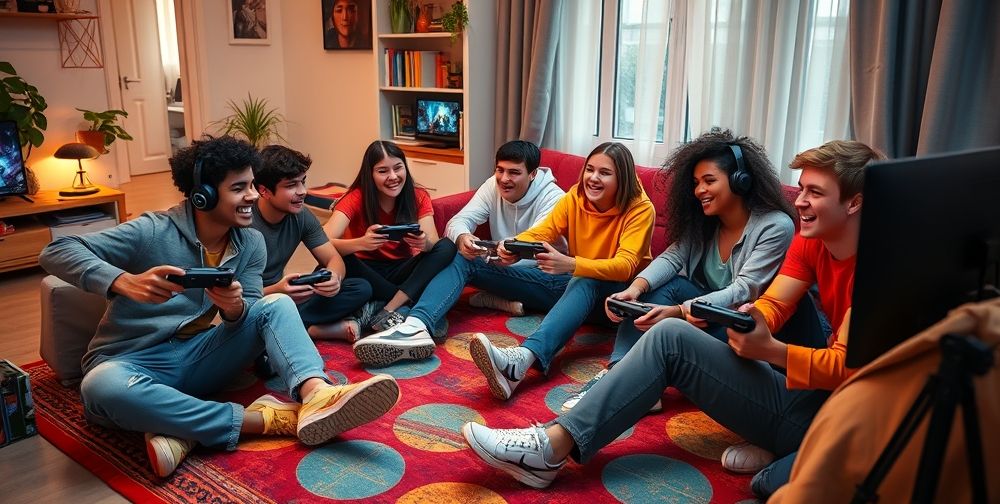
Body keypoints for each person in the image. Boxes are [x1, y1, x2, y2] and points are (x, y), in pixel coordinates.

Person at [461, 140, 884, 498]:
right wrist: (753, 321)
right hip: (804, 389)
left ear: (855, 202)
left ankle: (787, 451)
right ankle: (554, 442)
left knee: (768, 484)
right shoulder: (811, 242)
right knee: (669, 328)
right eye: (801, 189)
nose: (801, 200)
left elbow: (848, 369)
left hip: (840, 415)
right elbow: (774, 303)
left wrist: (768, 348)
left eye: (814, 192)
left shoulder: (880, 271)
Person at [39, 136, 401, 478]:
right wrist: (123, 281)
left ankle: (316, 394)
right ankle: (269, 420)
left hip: (198, 357)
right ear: (204, 195)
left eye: (252, 185)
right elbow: (57, 250)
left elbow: (252, 312)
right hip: (130, 364)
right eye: (239, 188)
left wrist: (233, 309)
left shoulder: (250, 242)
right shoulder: (152, 230)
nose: (252, 196)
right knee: (101, 387)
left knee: (276, 304)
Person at [562, 129, 798, 411]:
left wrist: (679, 312)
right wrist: (634, 289)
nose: (699, 191)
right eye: (696, 183)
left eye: (709, 181)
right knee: (659, 287)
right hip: (700, 312)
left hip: (739, 326)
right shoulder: (706, 220)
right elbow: (672, 258)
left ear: (740, 180)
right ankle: (620, 370)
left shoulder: (775, 225)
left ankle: (631, 382)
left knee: (669, 316)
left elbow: (744, 289)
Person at [468, 141, 655, 401]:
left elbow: (625, 267)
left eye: (604, 173)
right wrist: (512, 246)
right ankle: (514, 371)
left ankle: (523, 357)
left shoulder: (640, 209)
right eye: (590, 169)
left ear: (621, 179)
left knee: (583, 279)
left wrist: (572, 264)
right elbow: (543, 232)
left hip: (621, 300)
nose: (593, 178)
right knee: (474, 259)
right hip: (578, 287)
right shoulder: (575, 197)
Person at [357, 140, 565, 366]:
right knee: (458, 250)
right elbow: (458, 221)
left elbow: (529, 249)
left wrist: (486, 255)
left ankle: (414, 323)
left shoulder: (554, 198)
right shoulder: (493, 186)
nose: (504, 178)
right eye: (500, 170)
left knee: (467, 260)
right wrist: (463, 237)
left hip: (545, 277)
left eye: (514, 172)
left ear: (533, 174)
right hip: (507, 272)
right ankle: (415, 327)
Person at [322, 140, 457, 347]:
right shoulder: (355, 197)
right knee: (340, 258)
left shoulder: (418, 196)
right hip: (365, 271)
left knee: (447, 246)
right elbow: (321, 242)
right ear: (370, 174)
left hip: (401, 270)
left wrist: (424, 243)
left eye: (398, 168)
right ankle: (412, 308)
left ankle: (388, 308)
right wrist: (362, 243)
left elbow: (433, 245)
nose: (393, 177)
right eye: (383, 171)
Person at [250, 145, 371, 342]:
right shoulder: (244, 223)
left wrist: (334, 278)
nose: (302, 191)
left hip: (287, 297)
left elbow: (334, 259)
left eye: (303, 182)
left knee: (361, 287)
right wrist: (276, 290)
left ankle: (293, 329)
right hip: (256, 302)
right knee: (258, 323)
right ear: (264, 191)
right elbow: (235, 297)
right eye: (291, 185)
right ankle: (306, 330)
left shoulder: (302, 215)